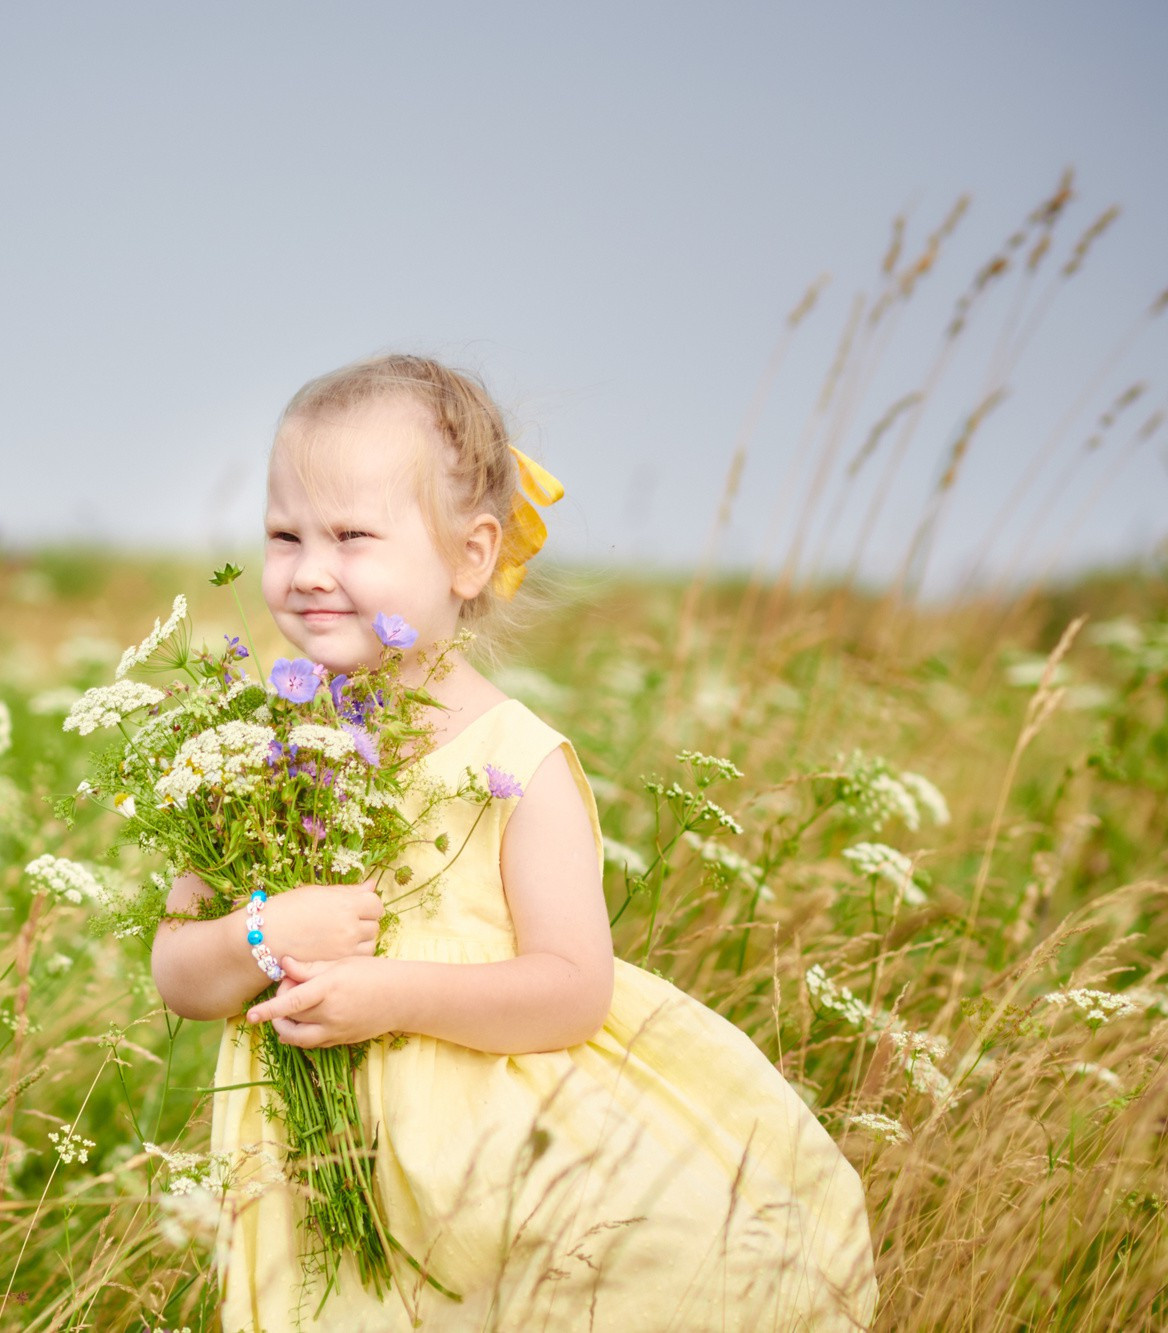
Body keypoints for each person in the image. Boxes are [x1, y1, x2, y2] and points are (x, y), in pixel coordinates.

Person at [149, 353, 879, 1331]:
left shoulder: (516, 760)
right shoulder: (250, 751)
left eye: (351, 535)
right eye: (284, 534)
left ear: (469, 554)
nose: (308, 569)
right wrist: (261, 929)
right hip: (314, 1188)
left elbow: (570, 988)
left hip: (499, 1187)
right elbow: (178, 975)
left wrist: (386, 994)